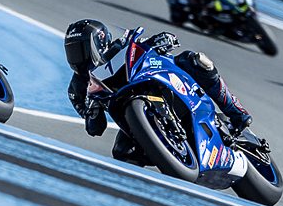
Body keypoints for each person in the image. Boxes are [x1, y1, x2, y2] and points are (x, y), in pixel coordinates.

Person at [63, 19, 252, 165]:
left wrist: (160, 41)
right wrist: (92, 109)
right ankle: (167, 168)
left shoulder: (120, 45)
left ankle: (236, 111)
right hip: (130, 114)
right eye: (72, 52)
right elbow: (95, 129)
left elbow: (143, 44)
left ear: (98, 42)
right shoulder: (77, 88)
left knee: (195, 60)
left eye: (80, 50)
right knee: (122, 153)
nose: (76, 57)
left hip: (152, 80)